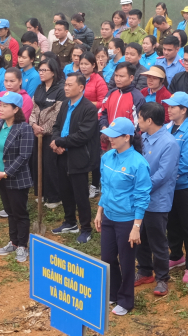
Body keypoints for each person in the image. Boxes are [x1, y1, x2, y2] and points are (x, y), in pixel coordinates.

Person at [90, 116, 151, 317]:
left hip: (127, 220)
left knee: (126, 261)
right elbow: (105, 188)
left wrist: (136, 227)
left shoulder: (138, 163)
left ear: (127, 137)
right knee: (107, 257)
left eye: (115, 136)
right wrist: (100, 211)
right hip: (108, 216)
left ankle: (126, 299)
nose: (110, 139)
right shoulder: (107, 157)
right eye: (109, 136)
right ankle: (113, 292)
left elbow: (142, 197)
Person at [134, 102, 181, 297]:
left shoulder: (169, 143)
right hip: (140, 198)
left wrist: (140, 189)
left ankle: (162, 278)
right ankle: (145, 271)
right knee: (139, 237)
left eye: (140, 118)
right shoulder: (143, 137)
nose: (137, 122)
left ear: (149, 120)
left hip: (156, 200)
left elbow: (163, 175)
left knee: (157, 240)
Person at [50, 73, 101, 244]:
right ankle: (70, 221)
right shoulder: (65, 104)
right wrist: (55, 141)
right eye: (65, 84)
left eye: (70, 85)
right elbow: (56, 126)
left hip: (79, 157)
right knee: (65, 190)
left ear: (81, 87)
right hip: (62, 154)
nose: (66, 87)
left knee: (81, 195)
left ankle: (85, 228)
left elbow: (83, 136)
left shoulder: (88, 108)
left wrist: (60, 141)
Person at [0, 91, 34, 262]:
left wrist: (7, 172)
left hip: (17, 178)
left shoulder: (24, 128)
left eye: (5, 105)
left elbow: (24, 155)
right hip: (0, 177)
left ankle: (23, 245)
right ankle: (13, 242)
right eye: (0, 104)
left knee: (20, 213)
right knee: (9, 211)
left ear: (15, 109)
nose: (1, 108)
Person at [164, 92, 188, 281]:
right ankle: (176, 255)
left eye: (173, 107)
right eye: (169, 106)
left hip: (186, 186)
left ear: (183, 110)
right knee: (172, 221)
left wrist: (165, 174)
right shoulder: (167, 127)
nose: (169, 109)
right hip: (170, 186)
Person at [29, 57, 66, 209]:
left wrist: (43, 129)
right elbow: (33, 109)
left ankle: (54, 196)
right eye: (40, 70)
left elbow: (57, 113)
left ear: (53, 72)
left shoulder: (60, 90)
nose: (41, 73)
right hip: (36, 133)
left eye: (45, 70)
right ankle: (41, 193)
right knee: (36, 163)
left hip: (50, 134)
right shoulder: (39, 88)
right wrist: (33, 125)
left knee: (50, 164)